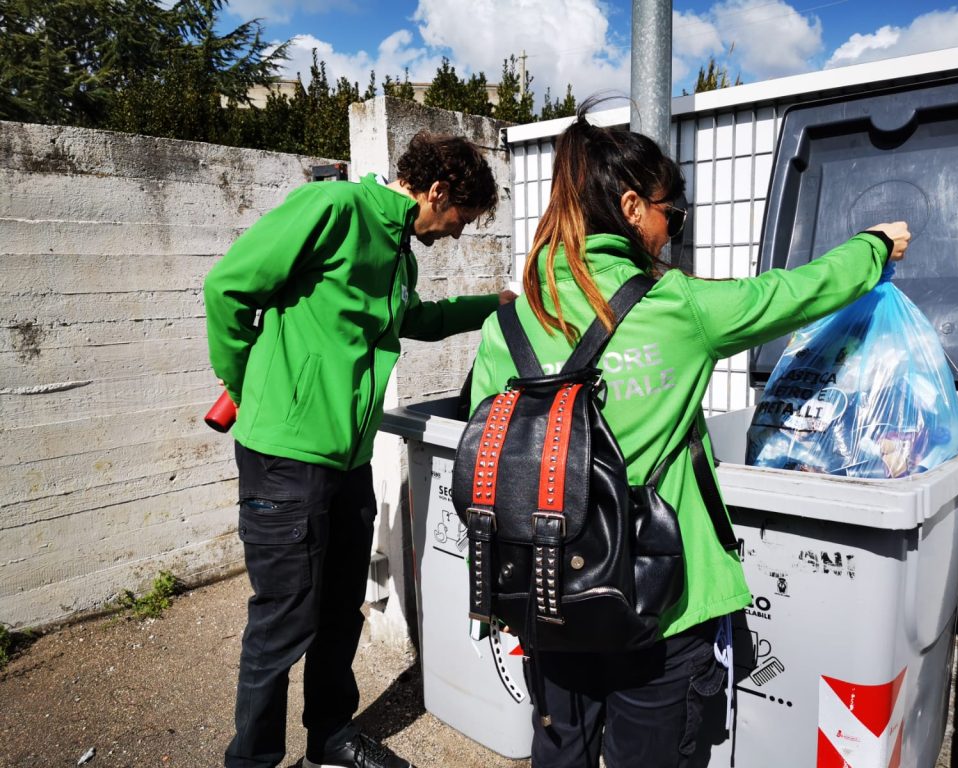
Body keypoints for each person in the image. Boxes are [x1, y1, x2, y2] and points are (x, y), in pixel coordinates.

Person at [467, 98, 911, 768]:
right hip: (662, 603)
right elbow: (794, 292)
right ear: (632, 207)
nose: (671, 231)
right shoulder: (675, 304)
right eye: (670, 214)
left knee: (560, 754)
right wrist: (872, 246)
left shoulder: (508, 323)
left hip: (549, 593)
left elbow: (494, 463)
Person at [203, 131, 515, 768]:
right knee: (283, 621)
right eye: (460, 218)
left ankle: (329, 737)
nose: (457, 232)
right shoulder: (335, 208)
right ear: (437, 192)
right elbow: (227, 288)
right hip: (285, 457)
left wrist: (498, 307)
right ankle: (252, 760)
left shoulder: (399, 253)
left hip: (347, 461)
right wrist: (246, 385)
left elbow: (414, 320)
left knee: (342, 608)